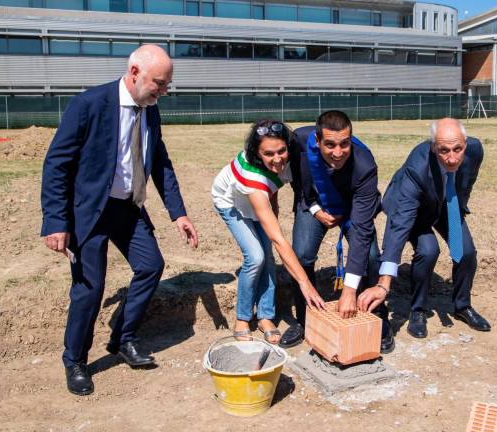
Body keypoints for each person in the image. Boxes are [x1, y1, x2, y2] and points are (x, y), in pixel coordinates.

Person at [40, 45, 199, 396]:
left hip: (128, 207)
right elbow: (57, 165)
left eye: (167, 84)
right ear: (134, 73)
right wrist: (55, 220)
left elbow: (160, 162)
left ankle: (123, 339)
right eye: (159, 83)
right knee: (90, 288)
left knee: (150, 265)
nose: (164, 91)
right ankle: (75, 360)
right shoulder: (89, 105)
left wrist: (179, 213)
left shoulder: (150, 110)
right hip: (90, 212)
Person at [360, 118, 489, 340]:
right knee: (429, 251)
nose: (452, 158)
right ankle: (418, 310)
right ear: (433, 147)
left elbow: (466, 181)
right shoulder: (417, 168)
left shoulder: (475, 150)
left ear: (465, 144)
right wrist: (384, 282)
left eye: (458, 149)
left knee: (465, 252)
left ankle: (462, 306)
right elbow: (399, 226)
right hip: (412, 209)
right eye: (444, 150)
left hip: (446, 204)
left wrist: (460, 207)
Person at [279, 110, 394, 354]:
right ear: (317, 140)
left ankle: (378, 315)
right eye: (330, 144)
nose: (338, 152)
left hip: (353, 208)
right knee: (301, 255)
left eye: (344, 144)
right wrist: (314, 207)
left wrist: (349, 290)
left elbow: (362, 231)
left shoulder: (365, 165)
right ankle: (304, 319)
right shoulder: (298, 141)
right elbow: (296, 179)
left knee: (371, 255)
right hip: (315, 204)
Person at [211, 120, 326, 344]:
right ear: (257, 152)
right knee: (255, 257)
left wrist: (273, 210)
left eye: (281, 150)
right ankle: (243, 318)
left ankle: (265, 316)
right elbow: (277, 238)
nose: (277, 159)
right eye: (269, 153)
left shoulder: (290, 159)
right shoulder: (253, 177)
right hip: (231, 203)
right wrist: (305, 283)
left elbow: (273, 188)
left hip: (259, 201)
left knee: (268, 258)